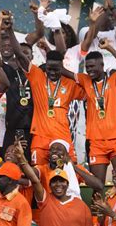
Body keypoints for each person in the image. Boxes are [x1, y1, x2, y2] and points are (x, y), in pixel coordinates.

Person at [8, 21, 85, 165]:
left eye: (57, 69)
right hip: (40, 137)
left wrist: (69, 74)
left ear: (62, 66)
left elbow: (89, 90)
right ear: (45, 65)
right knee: (39, 174)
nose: (52, 72)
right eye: (49, 68)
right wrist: (10, 29)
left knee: (67, 174)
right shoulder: (37, 76)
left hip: (62, 136)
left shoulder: (70, 84)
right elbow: (19, 54)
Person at [62, 41, 116, 183]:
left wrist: (109, 48)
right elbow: (64, 71)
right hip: (96, 143)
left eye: (92, 66)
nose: (89, 70)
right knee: (97, 187)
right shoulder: (85, 80)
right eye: (87, 67)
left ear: (102, 65)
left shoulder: (115, 81)